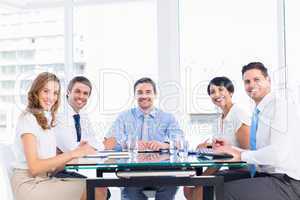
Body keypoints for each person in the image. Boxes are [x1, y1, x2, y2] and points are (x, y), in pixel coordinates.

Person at [11, 72, 107, 200]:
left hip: (45, 178)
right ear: (36, 91)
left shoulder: (46, 120)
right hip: (29, 183)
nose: (51, 97)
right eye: (46, 91)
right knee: (96, 190)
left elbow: (52, 167)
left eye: (55, 93)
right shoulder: (28, 119)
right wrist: (73, 154)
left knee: (99, 187)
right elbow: (34, 168)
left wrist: (78, 152)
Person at [214, 62, 300, 200]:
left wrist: (241, 156)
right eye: (247, 81)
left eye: (257, 79)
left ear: (268, 81)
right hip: (264, 175)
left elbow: (277, 154)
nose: (251, 85)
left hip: (286, 181)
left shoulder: (281, 107)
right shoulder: (259, 112)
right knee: (214, 181)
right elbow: (258, 152)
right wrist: (230, 148)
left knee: (223, 192)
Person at [105, 77, 183, 200]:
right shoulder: (124, 117)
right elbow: (108, 143)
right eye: (140, 92)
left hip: (163, 172)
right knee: (130, 192)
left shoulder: (168, 118)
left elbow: (180, 141)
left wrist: (165, 145)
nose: (144, 96)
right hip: (131, 172)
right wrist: (128, 144)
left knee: (170, 185)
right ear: (135, 95)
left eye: (148, 92)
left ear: (155, 95)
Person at [184, 76, 251, 200]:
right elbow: (221, 146)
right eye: (212, 92)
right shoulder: (219, 118)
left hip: (244, 171)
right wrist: (207, 146)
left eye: (221, 89)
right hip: (222, 164)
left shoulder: (238, 114)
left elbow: (248, 152)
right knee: (188, 188)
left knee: (197, 192)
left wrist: (221, 151)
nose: (217, 94)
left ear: (230, 92)